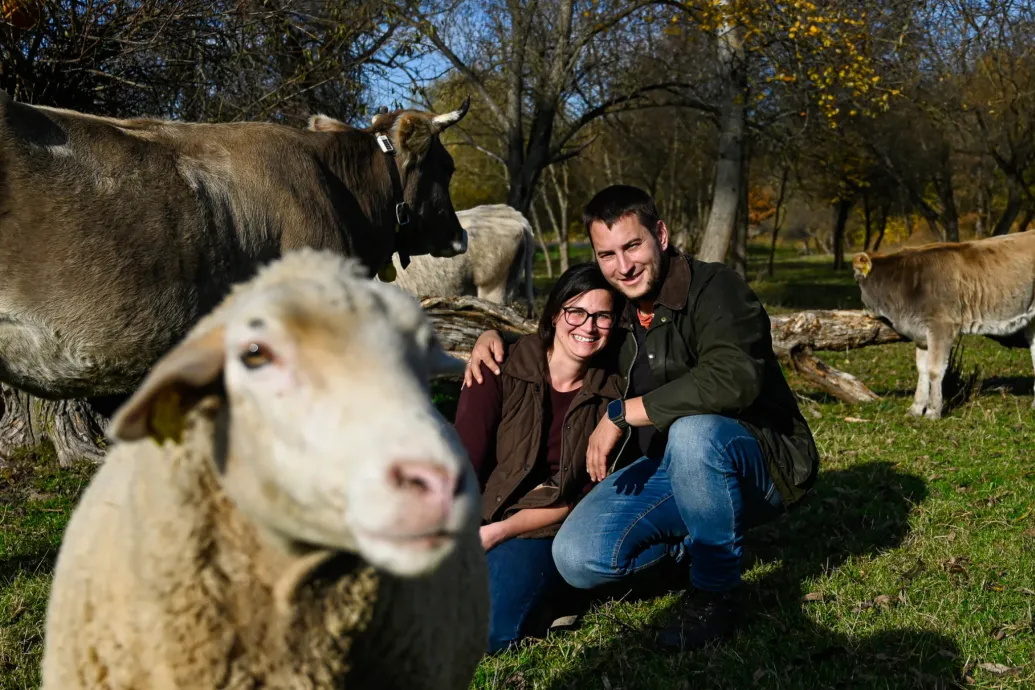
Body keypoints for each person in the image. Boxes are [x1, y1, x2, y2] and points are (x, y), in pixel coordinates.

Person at [463, 184, 820, 652]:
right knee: (577, 556)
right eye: (607, 254)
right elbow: (567, 325)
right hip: (668, 471)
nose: (623, 265)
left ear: (662, 235)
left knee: (694, 433)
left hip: (755, 459)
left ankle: (716, 594)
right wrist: (491, 333)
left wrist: (623, 413)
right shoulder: (621, 310)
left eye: (633, 246)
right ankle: (687, 551)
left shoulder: (717, 289)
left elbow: (735, 377)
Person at [452, 261, 624, 654]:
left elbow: (579, 498)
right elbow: (465, 462)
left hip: (543, 524)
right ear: (555, 313)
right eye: (576, 311)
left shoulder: (611, 397)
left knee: (490, 632)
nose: (587, 326)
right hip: (477, 510)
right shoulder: (497, 367)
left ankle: (552, 595)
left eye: (602, 316)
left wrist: (499, 532)